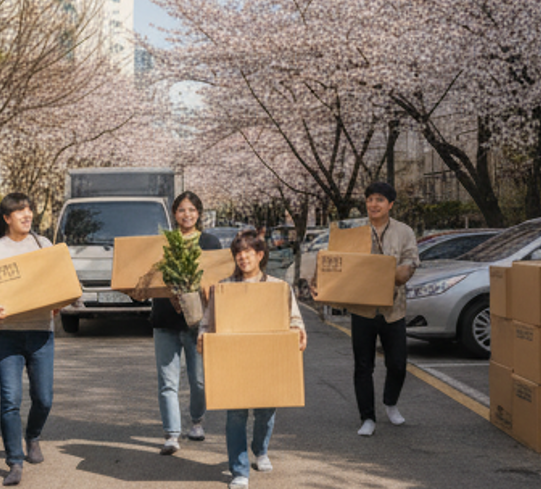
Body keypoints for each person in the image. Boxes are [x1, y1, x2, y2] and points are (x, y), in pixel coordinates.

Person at [197, 230, 306, 489]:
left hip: (267, 359)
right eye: (238, 253)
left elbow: (294, 319)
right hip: (233, 360)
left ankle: (260, 449)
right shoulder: (223, 289)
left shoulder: (278, 288)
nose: (243, 257)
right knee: (235, 414)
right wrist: (203, 337)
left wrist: (297, 332)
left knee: (266, 411)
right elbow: (207, 322)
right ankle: (239, 470)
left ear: (259, 255)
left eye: (248, 252)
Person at [315, 182, 419, 437]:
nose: (374, 204)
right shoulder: (354, 231)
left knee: (398, 364)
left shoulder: (404, 231)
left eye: (380, 200)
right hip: (362, 309)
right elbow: (338, 260)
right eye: (370, 199)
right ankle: (367, 417)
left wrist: (400, 273)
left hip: (393, 308)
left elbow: (410, 261)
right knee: (363, 366)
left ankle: (390, 403)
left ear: (390, 204)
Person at [0, 193, 54, 486]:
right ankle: (14, 461)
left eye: (29, 209)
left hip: (41, 331)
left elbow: (60, 279)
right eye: (20, 211)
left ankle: (33, 436)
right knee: (10, 400)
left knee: (43, 399)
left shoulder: (43, 245)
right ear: (7, 218)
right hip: (7, 334)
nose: (27, 215)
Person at [151, 191, 222, 455]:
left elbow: (218, 280)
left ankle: (197, 421)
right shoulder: (163, 243)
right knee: (167, 381)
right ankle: (171, 434)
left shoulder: (210, 242)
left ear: (199, 213)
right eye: (181, 210)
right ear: (174, 213)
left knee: (199, 380)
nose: (186, 214)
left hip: (198, 322)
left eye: (191, 209)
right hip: (165, 319)